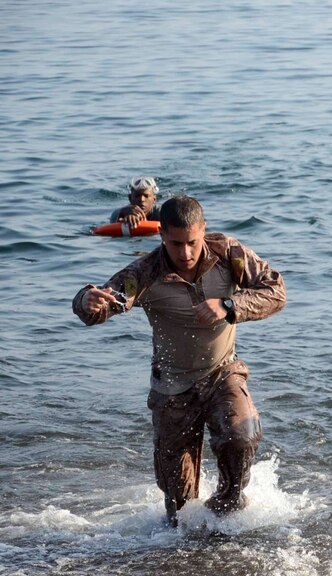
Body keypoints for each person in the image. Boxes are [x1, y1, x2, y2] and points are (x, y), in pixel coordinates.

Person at [73, 195, 286, 526]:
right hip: (172, 388)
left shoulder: (228, 254)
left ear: (204, 231)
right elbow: (106, 303)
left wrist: (230, 306)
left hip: (222, 374)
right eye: (176, 244)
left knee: (242, 435)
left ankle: (228, 507)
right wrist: (87, 301)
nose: (185, 253)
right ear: (161, 236)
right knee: (180, 513)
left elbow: (275, 291)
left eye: (192, 242)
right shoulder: (145, 272)